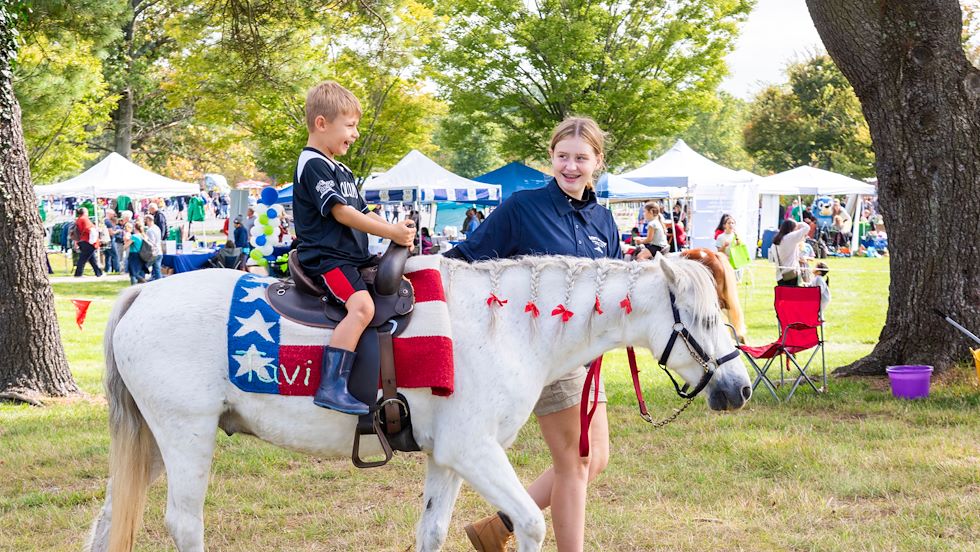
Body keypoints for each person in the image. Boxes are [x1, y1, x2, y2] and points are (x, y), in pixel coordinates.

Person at [447, 116, 621, 552]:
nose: (570, 166)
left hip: (588, 356)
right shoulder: (522, 208)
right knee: (575, 462)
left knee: (594, 459)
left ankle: (498, 525)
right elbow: (466, 258)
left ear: (597, 161)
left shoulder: (604, 221)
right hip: (541, 357)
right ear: (551, 156)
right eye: (563, 156)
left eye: (581, 158)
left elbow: (618, 282)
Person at [293, 80, 415, 415]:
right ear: (321, 124)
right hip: (328, 258)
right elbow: (342, 213)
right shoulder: (313, 163)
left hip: (355, 256)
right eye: (350, 126)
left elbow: (362, 210)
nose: (355, 134)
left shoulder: (341, 168)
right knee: (362, 308)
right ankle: (331, 385)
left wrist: (395, 229)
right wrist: (389, 230)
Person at [769, 219, 809, 286]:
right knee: (794, 295)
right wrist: (798, 224)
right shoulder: (790, 237)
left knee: (784, 295)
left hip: (780, 276)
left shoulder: (775, 242)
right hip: (792, 274)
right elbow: (806, 227)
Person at [72, 207, 104, 278]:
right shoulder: (84, 219)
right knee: (83, 258)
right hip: (87, 241)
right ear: (85, 212)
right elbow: (89, 229)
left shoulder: (79, 219)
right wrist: (94, 238)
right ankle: (78, 274)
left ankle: (98, 273)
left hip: (82, 241)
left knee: (92, 259)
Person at [143, 214, 163, 280]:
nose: (144, 222)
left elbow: (151, 243)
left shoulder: (150, 230)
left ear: (148, 220)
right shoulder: (157, 228)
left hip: (153, 253)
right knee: (157, 270)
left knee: (143, 267)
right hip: (159, 251)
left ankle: (140, 280)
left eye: (145, 220)